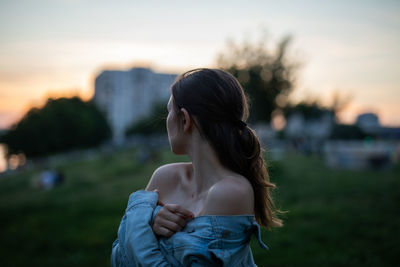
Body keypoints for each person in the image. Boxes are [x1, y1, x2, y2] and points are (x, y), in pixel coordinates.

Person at [111, 68, 282, 266]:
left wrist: (140, 222)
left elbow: (129, 248)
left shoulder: (232, 192)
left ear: (184, 120)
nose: (166, 120)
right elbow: (119, 257)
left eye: (169, 112)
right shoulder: (165, 177)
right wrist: (151, 223)